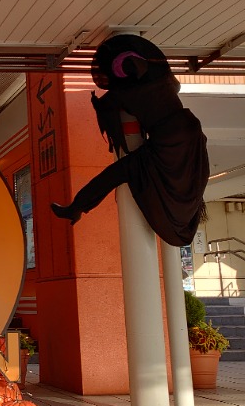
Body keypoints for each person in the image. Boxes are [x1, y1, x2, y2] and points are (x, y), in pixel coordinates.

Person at [50, 35, 209, 247]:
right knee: (119, 172)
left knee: (120, 171)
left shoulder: (163, 80)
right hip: (169, 135)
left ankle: (76, 207)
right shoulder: (149, 169)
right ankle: (76, 207)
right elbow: (112, 175)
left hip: (189, 128)